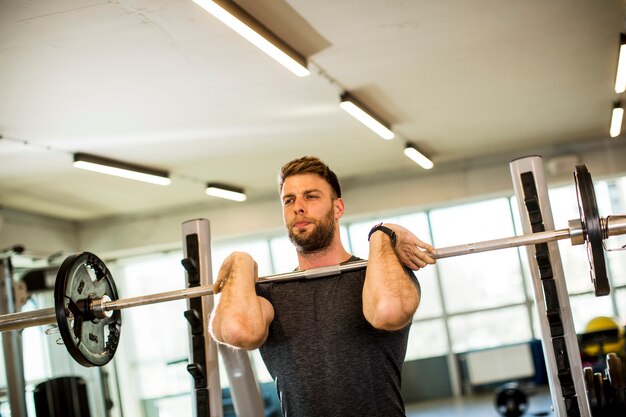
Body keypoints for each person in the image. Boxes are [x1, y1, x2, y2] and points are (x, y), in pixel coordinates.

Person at [210, 156, 436, 417]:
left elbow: (388, 311)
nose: (298, 207)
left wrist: (382, 235)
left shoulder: (376, 276)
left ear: (338, 208)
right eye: (289, 200)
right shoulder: (270, 294)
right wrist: (241, 262)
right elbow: (237, 331)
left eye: (311, 196)